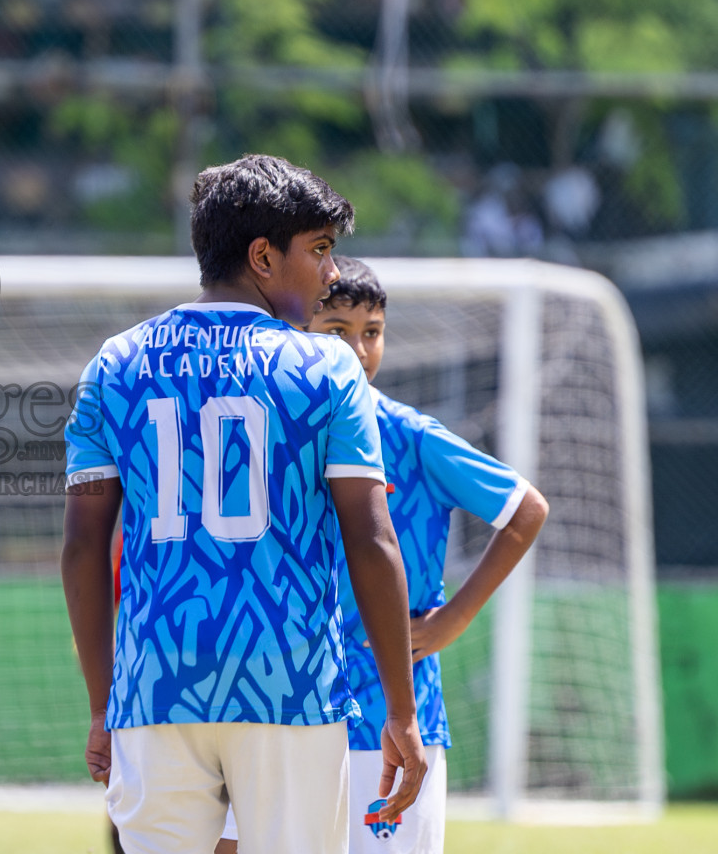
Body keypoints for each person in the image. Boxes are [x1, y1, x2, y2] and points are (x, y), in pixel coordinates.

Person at [62, 154, 427, 854]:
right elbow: (373, 540)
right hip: (287, 687)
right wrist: (401, 715)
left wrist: (105, 703)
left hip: (155, 687)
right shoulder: (327, 368)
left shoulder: (114, 364)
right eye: (319, 251)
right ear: (262, 256)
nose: (330, 273)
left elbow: (82, 548)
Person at [217, 255, 549, 854]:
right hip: (278, 705)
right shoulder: (262, 434)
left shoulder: (410, 437)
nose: (358, 349)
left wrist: (455, 618)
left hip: (391, 723)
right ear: (298, 334)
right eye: (337, 331)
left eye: (371, 332)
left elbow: (526, 509)